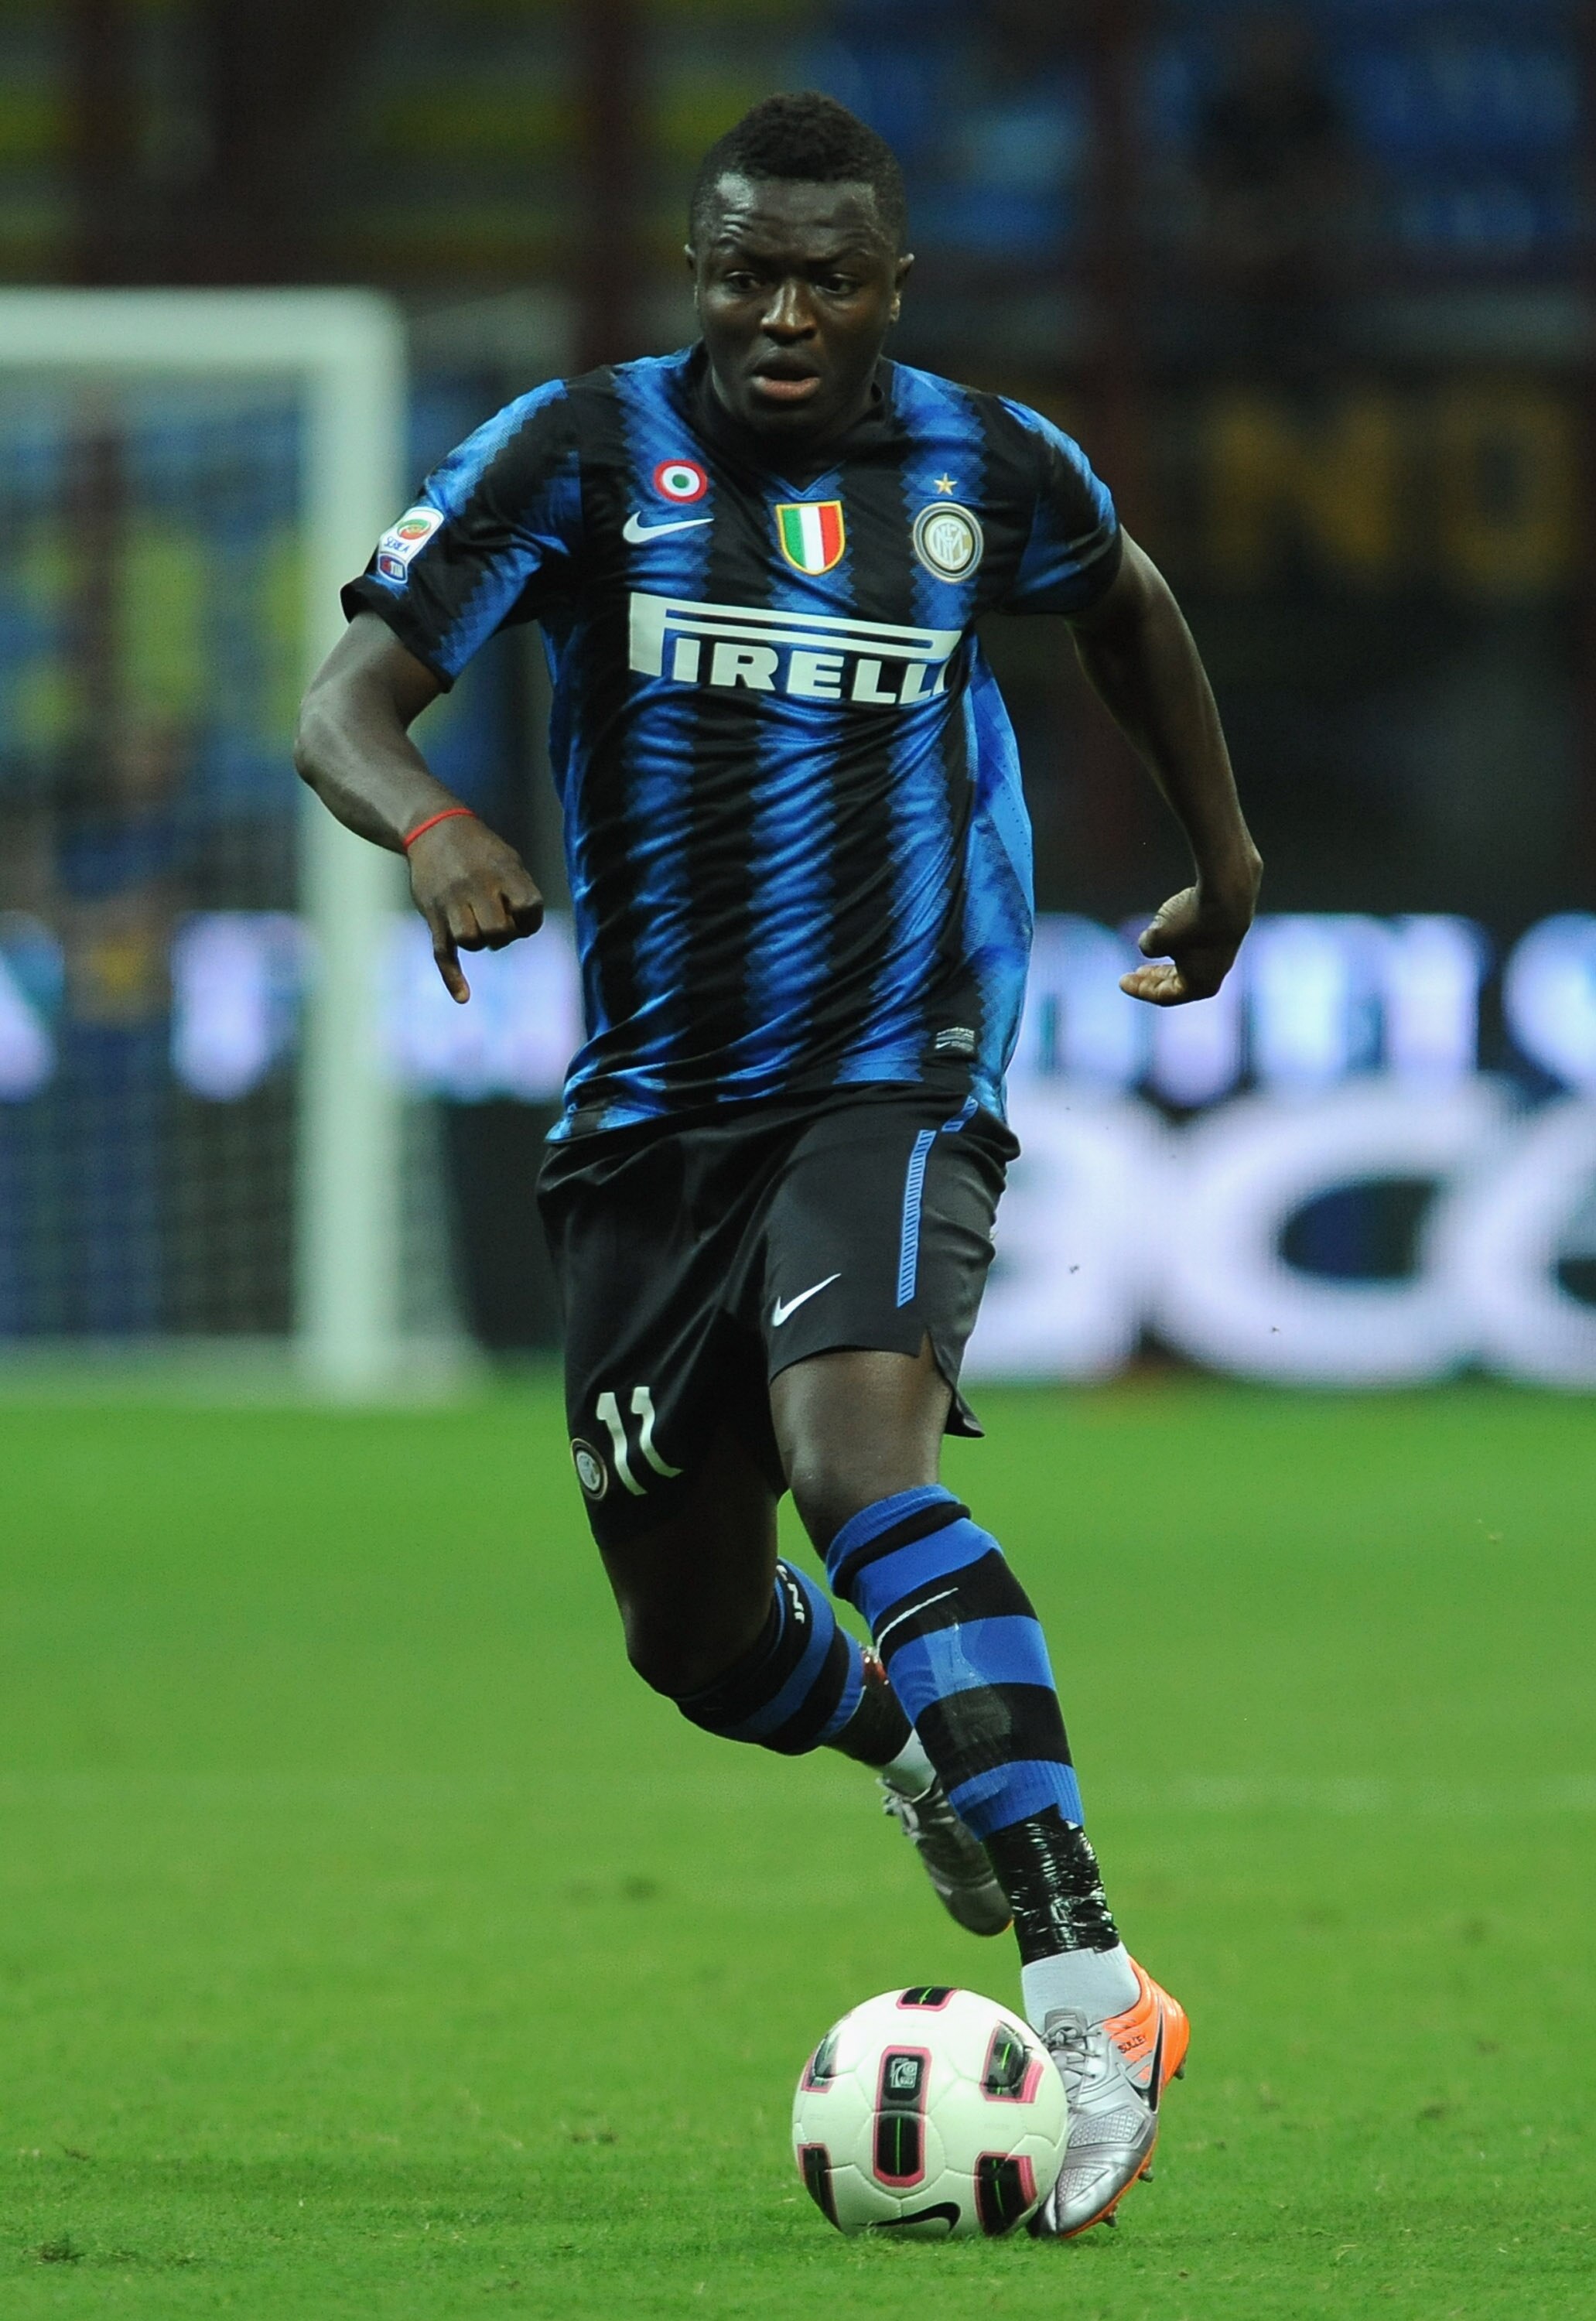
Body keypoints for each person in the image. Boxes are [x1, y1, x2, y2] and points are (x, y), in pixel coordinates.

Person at [295, 91, 1261, 2237]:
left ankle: (1094, 1990)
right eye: (746, 271)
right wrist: (440, 831)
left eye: (829, 277)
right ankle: (921, 1761)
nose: (784, 312)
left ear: (895, 286)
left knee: (861, 1467)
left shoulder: (987, 467)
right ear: (701, 271)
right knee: (699, 1641)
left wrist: (1226, 855)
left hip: (890, 1075)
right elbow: (347, 703)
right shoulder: (575, 455)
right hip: (648, 1124)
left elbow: (1129, 607)